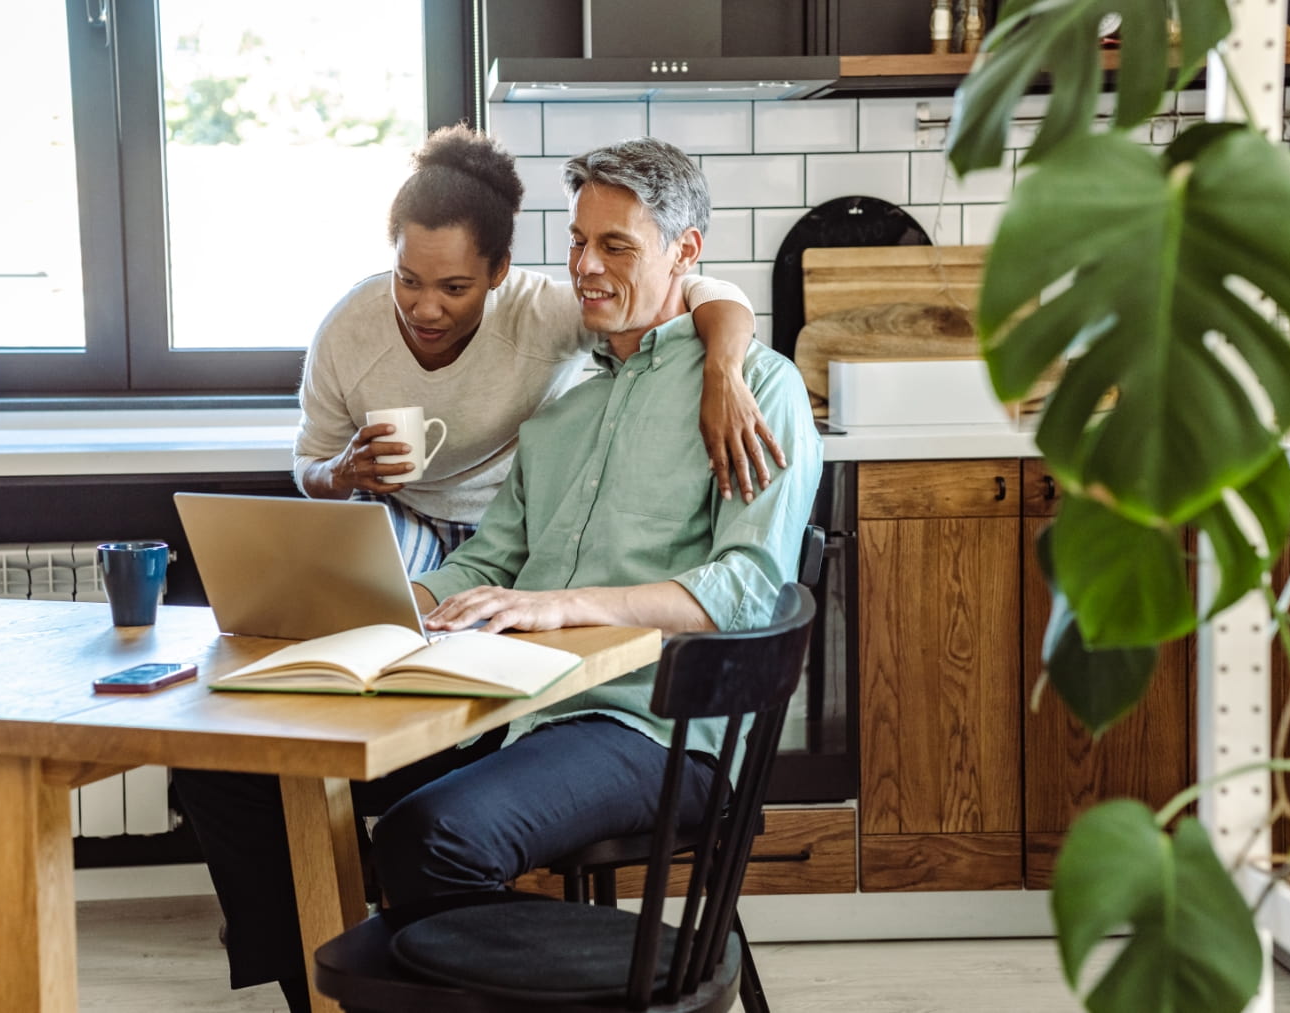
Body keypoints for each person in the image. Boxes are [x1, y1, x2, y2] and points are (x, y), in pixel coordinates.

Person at [174, 136, 821, 1011]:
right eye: (579, 242)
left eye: (617, 246)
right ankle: (318, 1001)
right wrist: (383, 603)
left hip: (653, 729)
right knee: (241, 767)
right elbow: (490, 557)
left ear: (687, 253)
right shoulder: (564, 406)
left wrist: (560, 607)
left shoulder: (757, 391)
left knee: (431, 837)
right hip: (522, 707)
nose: (587, 267)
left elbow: (747, 586)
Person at [292, 125, 785, 575]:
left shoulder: (543, 313)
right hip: (406, 514)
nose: (425, 309)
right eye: (408, 280)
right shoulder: (349, 332)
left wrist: (724, 373)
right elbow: (308, 464)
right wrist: (340, 472)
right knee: (355, 606)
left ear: (498, 272)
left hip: (511, 529)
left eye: (455, 288)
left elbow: (705, 293)